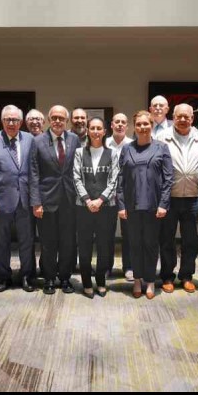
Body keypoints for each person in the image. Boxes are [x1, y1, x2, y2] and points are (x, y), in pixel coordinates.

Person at [117, 110, 173, 299]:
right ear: (134, 127)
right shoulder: (127, 149)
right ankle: (137, 279)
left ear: (152, 125)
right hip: (131, 206)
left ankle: (150, 281)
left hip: (154, 206)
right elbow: (120, 179)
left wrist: (164, 203)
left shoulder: (162, 148)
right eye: (139, 124)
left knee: (150, 244)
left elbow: (168, 179)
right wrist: (121, 205)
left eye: (146, 124)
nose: (142, 127)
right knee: (134, 244)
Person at [0, 105, 36, 291]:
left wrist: (35, 199)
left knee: (26, 241)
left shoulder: (29, 139)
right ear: (2, 121)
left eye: (15, 120)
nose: (11, 123)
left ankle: (26, 276)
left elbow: (33, 171)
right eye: (7, 120)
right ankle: (4, 277)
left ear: (21, 122)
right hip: (1, 199)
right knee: (2, 241)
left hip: (25, 199)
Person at [30, 105, 81, 294]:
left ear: (67, 121)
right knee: (48, 243)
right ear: (49, 120)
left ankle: (65, 278)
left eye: (61, 118)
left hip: (70, 200)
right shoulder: (38, 141)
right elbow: (34, 173)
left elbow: (79, 169)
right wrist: (36, 202)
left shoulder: (74, 139)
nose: (58, 121)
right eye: (54, 118)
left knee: (68, 242)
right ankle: (50, 278)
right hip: (46, 200)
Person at [156, 103, 198, 294]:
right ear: (173, 117)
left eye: (187, 116)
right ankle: (167, 276)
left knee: (190, 240)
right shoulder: (162, 137)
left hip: (192, 196)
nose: (183, 120)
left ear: (192, 118)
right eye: (179, 116)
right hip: (169, 197)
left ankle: (186, 275)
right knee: (166, 239)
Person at [73, 117, 119, 298]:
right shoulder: (79, 152)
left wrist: (100, 200)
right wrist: (87, 200)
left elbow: (114, 180)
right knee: (84, 246)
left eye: (99, 128)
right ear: (87, 130)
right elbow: (76, 178)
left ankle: (101, 281)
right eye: (92, 128)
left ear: (105, 131)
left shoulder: (112, 153)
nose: (95, 131)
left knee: (104, 246)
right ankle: (86, 282)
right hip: (83, 208)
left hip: (106, 208)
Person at [106, 112, 134, 280]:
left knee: (128, 233)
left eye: (123, 122)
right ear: (111, 125)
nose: (120, 125)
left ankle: (129, 267)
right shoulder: (104, 144)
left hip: (127, 195)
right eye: (117, 122)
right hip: (106, 195)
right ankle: (106, 266)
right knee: (106, 233)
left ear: (127, 126)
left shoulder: (133, 145)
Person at [25, 108, 45, 276]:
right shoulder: (22, 140)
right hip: (24, 197)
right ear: (26, 123)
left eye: (38, 119)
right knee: (28, 237)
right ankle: (29, 270)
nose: (35, 122)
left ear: (43, 122)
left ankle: (46, 267)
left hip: (46, 197)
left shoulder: (49, 140)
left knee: (47, 237)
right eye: (31, 119)